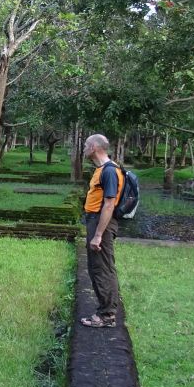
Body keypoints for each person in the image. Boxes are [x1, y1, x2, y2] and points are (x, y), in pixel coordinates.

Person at [80, 133, 124, 328]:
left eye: (86, 145)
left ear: (95, 148)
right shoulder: (101, 170)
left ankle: (107, 315)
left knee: (102, 268)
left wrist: (98, 234)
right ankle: (106, 310)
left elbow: (109, 204)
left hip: (102, 224)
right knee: (97, 267)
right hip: (96, 221)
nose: (83, 148)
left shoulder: (109, 171)